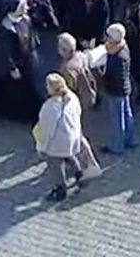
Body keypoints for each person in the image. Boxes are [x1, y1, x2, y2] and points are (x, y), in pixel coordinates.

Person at [36, 72, 86, 202]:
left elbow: (47, 130)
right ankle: (80, 175)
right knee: (70, 155)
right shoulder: (72, 97)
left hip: (58, 140)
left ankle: (61, 188)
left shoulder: (50, 107)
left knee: (55, 164)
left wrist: (42, 146)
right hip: (72, 135)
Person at [100, 22, 138, 154]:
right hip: (124, 88)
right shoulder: (123, 48)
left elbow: (109, 74)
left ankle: (117, 145)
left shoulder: (116, 57)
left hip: (115, 90)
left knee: (117, 119)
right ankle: (130, 139)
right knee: (127, 115)